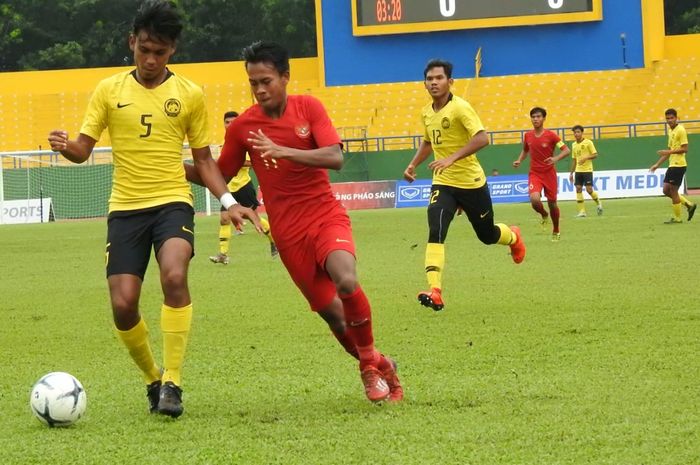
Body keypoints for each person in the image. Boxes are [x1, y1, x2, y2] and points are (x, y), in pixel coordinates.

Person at [47, 0, 259, 419]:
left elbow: (202, 161)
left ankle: (174, 383)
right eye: (143, 49)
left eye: (159, 52)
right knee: (124, 304)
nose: (149, 59)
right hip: (125, 208)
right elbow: (83, 150)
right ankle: (153, 377)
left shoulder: (189, 94)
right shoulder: (109, 90)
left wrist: (230, 201)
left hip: (171, 203)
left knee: (174, 274)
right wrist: (65, 145)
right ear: (132, 42)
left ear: (172, 51)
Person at [187, 41, 402, 403]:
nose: (259, 89)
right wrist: (171, 165)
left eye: (266, 80)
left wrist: (284, 150)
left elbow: (335, 157)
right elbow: (219, 173)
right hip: (288, 235)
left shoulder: (309, 107)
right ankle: (384, 365)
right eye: (253, 82)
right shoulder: (242, 127)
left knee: (346, 280)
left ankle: (368, 367)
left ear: (285, 77)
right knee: (335, 318)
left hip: (324, 215)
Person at [403, 59, 525, 313]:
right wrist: (413, 164)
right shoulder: (426, 112)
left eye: (439, 78)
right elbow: (428, 141)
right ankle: (435, 290)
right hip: (444, 183)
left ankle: (513, 236)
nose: (434, 82)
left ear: (450, 81)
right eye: (429, 79)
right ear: (424, 83)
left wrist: (451, 158)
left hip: (471, 183)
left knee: (487, 235)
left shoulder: (461, 108)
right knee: (435, 229)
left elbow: (482, 138)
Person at [210, 110, 278, 265]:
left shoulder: (244, 140)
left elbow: (250, 162)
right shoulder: (224, 143)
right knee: (224, 218)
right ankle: (223, 254)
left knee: (254, 218)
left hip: (243, 186)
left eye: (234, 121)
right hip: (229, 188)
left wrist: (229, 162)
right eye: (227, 122)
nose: (230, 124)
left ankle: (274, 242)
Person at [513, 107, 570, 241]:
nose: (535, 119)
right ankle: (544, 214)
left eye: (538, 116)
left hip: (549, 174)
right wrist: (519, 160)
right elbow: (525, 150)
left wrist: (555, 159)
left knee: (552, 204)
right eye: (533, 117)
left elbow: (566, 150)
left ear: (544, 118)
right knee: (534, 200)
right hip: (535, 173)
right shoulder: (528, 135)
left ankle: (556, 230)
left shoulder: (551, 135)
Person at [650, 108, 696, 223]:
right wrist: (657, 164)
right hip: (672, 164)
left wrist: (668, 152)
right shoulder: (670, 131)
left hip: (679, 165)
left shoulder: (681, 130)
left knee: (673, 191)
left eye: (671, 118)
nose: (669, 120)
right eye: (667, 118)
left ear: (676, 118)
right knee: (666, 190)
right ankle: (689, 205)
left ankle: (677, 218)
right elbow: (670, 150)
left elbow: (685, 149)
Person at [568, 125, 603, 218]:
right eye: (575, 132)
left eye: (578, 132)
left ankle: (598, 202)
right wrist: (571, 173)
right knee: (578, 188)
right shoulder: (573, 145)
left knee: (589, 190)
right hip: (578, 171)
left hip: (587, 170)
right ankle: (582, 211)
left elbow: (595, 154)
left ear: (582, 132)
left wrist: (586, 157)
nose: (576, 134)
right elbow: (574, 160)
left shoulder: (588, 143)